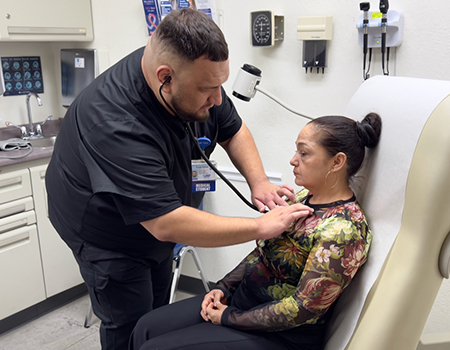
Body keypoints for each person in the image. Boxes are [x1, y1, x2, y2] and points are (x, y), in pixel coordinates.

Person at [45, 8, 312, 350]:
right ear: (165, 78)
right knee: (128, 324)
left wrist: (258, 181)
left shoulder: (196, 80)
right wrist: (261, 227)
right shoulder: (114, 121)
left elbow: (234, 129)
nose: (217, 100)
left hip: (155, 225)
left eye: (220, 86)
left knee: (155, 316)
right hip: (106, 234)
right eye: (207, 90)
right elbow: (166, 224)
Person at [130, 113, 382, 350]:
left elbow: (301, 309)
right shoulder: (303, 199)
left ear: (337, 162)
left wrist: (228, 317)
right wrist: (222, 288)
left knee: (156, 347)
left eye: (304, 153)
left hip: (282, 336)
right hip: (243, 302)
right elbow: (261, 254)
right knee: (145, 328)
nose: (293, 160)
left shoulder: (344, 230)